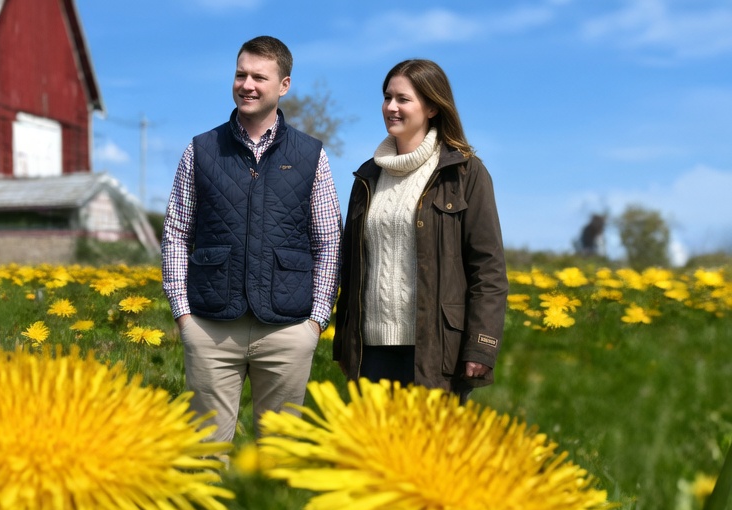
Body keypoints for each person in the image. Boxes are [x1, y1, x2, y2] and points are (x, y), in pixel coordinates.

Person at [161, 35, 341, 443]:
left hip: (287, 329)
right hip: (209, 327)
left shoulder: (312, 154)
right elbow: (175, 233)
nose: (248, 85)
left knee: (278, 458)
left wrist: (315, 322)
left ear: (284, 85)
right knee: (205, 454)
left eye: (259, 76)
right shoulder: (200, 150)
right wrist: (183, 315)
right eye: (241, 74)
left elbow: (329, 241)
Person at [333, 59, 507, 397]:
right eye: (387, 98)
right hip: (370, 354)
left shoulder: (465, 173)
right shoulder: (366, 177)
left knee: (429, 450)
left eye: (403, 99)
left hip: (437, 353)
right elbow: (349, 268)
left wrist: (481, 346)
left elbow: (488, 269)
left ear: (431, 107)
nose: (391, 107)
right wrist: (344, 344)